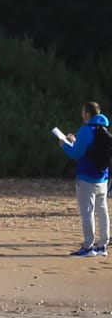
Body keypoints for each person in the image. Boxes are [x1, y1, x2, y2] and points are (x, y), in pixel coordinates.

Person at [59, 103, 110, 256]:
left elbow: (76, 154)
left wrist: (64, 145)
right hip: (103, 178)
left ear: (87, 114)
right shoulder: (104, 130)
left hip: (86, 178)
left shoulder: (86, 130)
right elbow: (89, 150)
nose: (82, 115)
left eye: (83, 112)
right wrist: (74, 141)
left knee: (88, 212)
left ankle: (88, 247)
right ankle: (102, 246)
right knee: (102, 211)